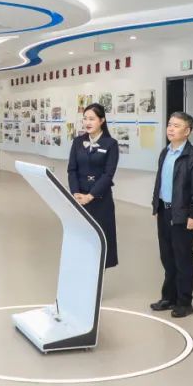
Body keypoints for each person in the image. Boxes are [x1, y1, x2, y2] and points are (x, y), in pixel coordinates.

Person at [150, 112, 193, 318]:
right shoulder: (165, 152)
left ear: (187, 131)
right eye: (170, 124)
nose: (171, 129)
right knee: (167, 257)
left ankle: (184, 302)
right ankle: (169, 297)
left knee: (183, 259)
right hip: (164, 211)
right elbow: (160, 182)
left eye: (176, 125)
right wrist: (156, 205)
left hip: (183, 214)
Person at [67, 103, 120, 268]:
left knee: (100, 240)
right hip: (79, 199)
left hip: (100, 199)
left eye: (92, 119)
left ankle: (97, 279)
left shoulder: (111, 144)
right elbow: (72, 170)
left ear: (102, 120)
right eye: (85, 119)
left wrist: (90, 196)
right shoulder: (78, 142)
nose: (87, 122)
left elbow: (108, 175)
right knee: (81, 240)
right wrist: (75, 193)